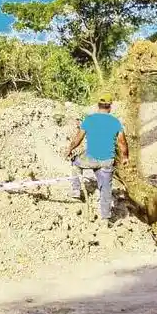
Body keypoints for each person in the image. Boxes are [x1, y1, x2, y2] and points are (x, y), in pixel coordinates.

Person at [65, 92, 129, 221]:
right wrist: (125, 157)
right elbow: (122, 142)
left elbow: (78, 138)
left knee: (75, 162)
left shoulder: (89, 119)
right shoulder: (115, 122)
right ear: (110, 107)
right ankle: (105, 217)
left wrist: (70, 149)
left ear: (98, 106)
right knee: (106, 189)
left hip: (90, 159)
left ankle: (76, 190)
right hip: (107, 161)